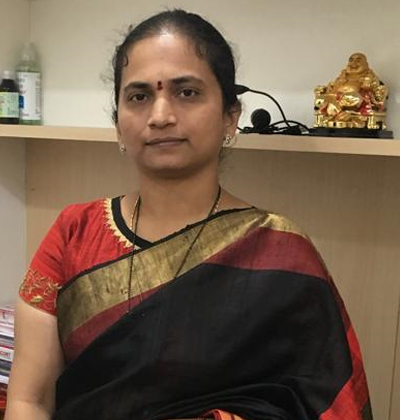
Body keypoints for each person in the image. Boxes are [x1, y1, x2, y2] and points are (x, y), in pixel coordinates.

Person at [5, 9, 373, 420]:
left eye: (187, 92)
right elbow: (29, 401)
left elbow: (330, 404)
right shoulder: (74, 232)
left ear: (230, 117)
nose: (161, 116)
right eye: (139, 96)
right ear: (118, 124)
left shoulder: (282, 252)